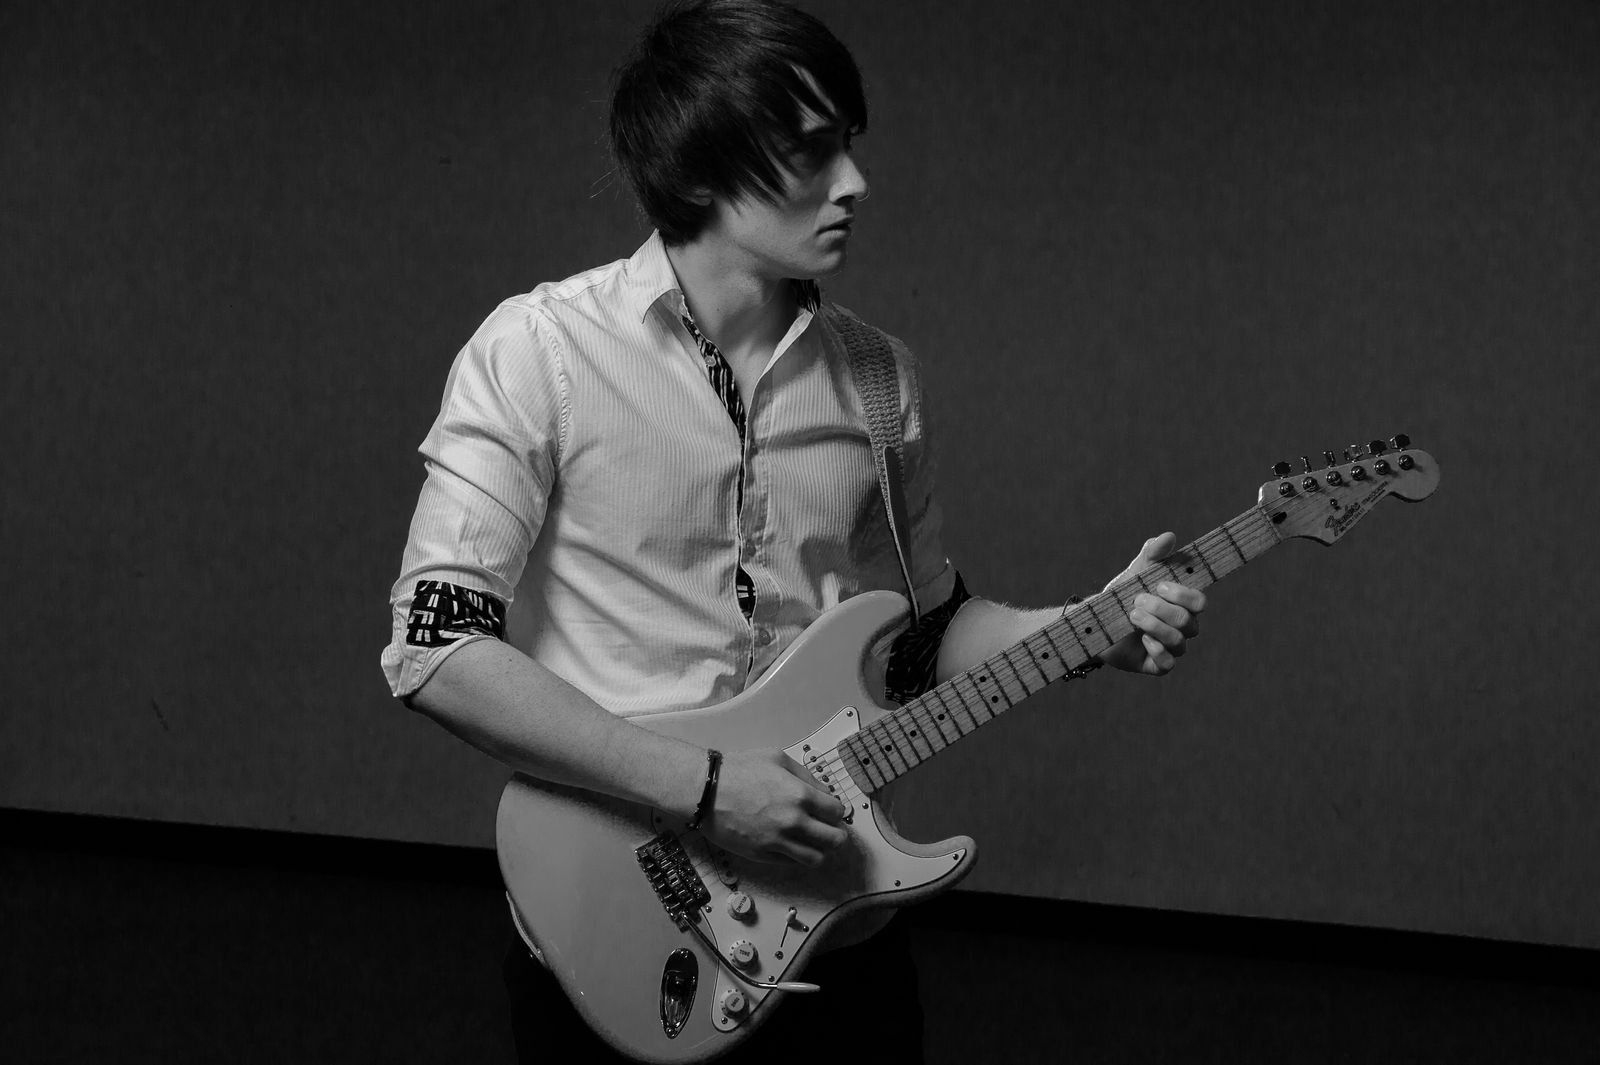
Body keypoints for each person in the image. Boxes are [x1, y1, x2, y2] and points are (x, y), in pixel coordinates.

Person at [381, 1, 1206, 1061]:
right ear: (697, 169)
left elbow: (921, 635)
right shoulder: (539, 353)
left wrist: (1090, 627)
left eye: (849, 145)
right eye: (813, 153)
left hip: (840, 924)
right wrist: (706, 788)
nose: (854, 183)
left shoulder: (879, 379)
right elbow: (438, 649)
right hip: (623, 918)